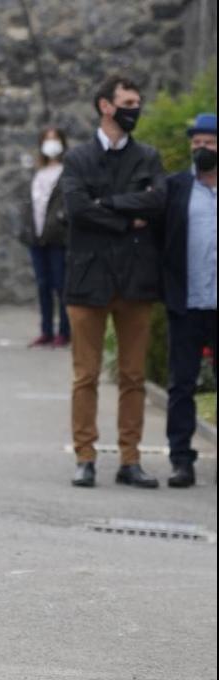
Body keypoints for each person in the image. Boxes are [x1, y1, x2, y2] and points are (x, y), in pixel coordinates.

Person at [59, 73, 166, 489]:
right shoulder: (78, 158)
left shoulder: (149, 157)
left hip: (135, 281)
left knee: (133, 376)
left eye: (137, 102)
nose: (134, 109)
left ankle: (130, 458)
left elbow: (157, 202)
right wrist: (127, 219)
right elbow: (76, 209)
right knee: (85, 375)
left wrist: (109, 204)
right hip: (89, 280)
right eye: (128, 102)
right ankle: (85, 456)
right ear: (106, 106)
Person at [161, 113, 217, 489]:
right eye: (196, 143)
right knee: (182, 384)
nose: (201, 149)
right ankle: (181, 459)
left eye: (208, 143)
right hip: (187, 303)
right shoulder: (176, 188)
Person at [20, 126, 70, 348]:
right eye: (47, 140)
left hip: (57, 237)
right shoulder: (38, 173)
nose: (51, 144)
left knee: (61, 285)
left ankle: (64, 331)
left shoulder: (67, 172)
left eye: (55, 139)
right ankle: (46, 330)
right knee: (43, 285)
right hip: (37, 237)